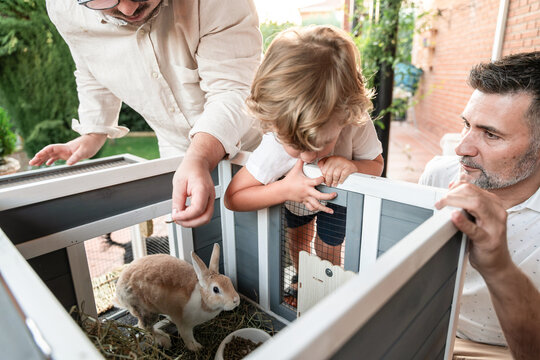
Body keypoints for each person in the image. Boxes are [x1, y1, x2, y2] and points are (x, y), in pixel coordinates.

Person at [28, 0, 262, 227]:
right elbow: (90, 65)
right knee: (198, 239)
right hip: (175, 147)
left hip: (255, 140)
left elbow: (233, 89)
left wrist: (200, 155)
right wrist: (93, 131)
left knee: (279, 226)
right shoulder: (63, 8)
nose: (128, 9)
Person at [224, 25, 384, 307]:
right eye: (295, 147)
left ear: (346, 114)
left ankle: (327, 287)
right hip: (295, 204)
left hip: (336, 203)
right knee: (298, 242)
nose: (308, 157)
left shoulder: (354, 123)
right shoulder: (274, 144)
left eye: (321, 144)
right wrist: (285, 189)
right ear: (274, 124)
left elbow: (377, 165)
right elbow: (233, 197)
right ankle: (300, 278)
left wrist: (352, 165)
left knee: (329, 250)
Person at [419, 51, 540, 359]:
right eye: (466, 124)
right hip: (426, 326)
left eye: (490, 134)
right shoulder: (440, 174)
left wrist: (498, 267)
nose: (461, 148)